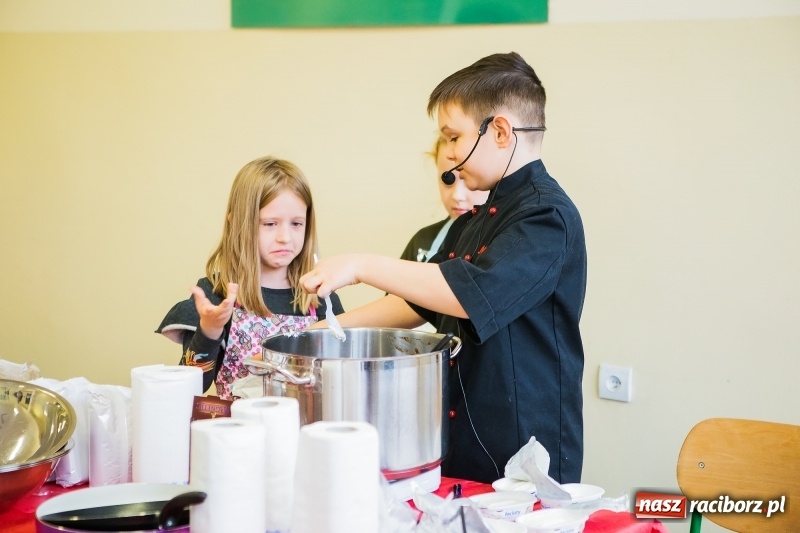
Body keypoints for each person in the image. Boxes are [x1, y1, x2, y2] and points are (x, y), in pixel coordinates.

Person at [300, 52, 586, 484]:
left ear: (501, 131)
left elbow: (466, 295)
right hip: (464, 439)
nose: (449, 157)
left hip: (526, 451)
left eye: (454, 138)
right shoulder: (475, 220)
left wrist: (361, 265)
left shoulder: (546, 217)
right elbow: (416, 301)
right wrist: (319, 335)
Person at [156, 156, 344, 399]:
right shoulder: (217, 296)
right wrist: (209, 331)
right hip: (237, 433)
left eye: (296, 223)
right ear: (238, 224)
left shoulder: (320, 298)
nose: (285, 237)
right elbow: (192, 385)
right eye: (270, 224)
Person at [401, 138, 489, 263]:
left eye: (469, 180)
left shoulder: (507, 242)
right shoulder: (423, 241)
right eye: (448, 179)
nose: (457, 196)